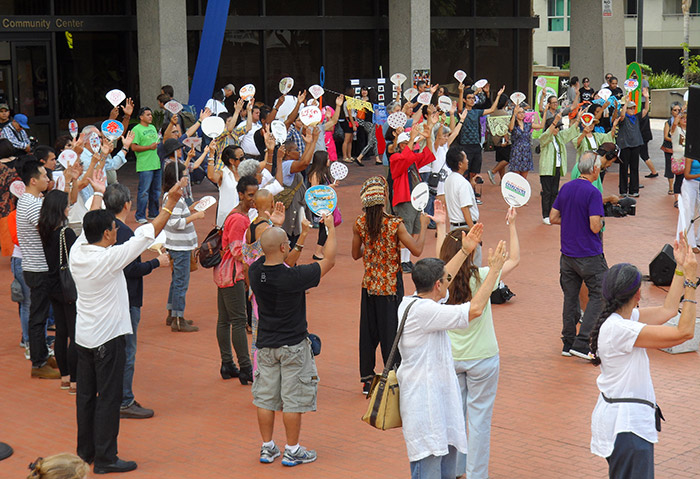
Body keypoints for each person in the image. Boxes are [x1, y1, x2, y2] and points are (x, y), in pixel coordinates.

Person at [70, 172, 187, 474]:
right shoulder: (109, 258)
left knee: (85, 397)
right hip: (108, 339)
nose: (114, 230)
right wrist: (170, 204)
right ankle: (107, 458)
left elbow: (90, 223)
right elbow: (147, 234)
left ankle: (85, 453)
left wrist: (97, 192)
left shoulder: (78, 251)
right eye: (112, 228)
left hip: (84, 337)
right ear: (108, 234)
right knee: (108, 399)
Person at [397, 228, 507, 479]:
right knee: (429, 470)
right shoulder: (427, 312)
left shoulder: (412, 301)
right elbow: (476, 308)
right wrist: (494, 270)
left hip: (439, 405)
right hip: (425, 410)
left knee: (447, 468)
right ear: (438, 285)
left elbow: (446, 275)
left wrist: (465, 250)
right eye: (444, 280)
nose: (448, 280)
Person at [588, 236, 696, 478]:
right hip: (627, 429)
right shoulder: (620, 329)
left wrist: (679, 268)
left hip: (623, 425)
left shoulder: (619, 320)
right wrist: (691, 281)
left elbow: (668, 310)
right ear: (638, 294)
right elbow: (685, 331)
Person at [433, 201, 520, 479]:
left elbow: (442, 259)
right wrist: (513, 224)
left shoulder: (441, 283)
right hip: (484, 358)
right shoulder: (483, 275)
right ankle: (476, 474)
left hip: (452, 359)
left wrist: (442, 225)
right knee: (480, 421)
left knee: (454, 419)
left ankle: (455, 470)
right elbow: (515, 259)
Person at [249, 215, 336, 466]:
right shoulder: (295, 277)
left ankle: (267, 447)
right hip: (293, 346)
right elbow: (328, 260)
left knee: (264, 398)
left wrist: (271, 226)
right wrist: (329, 228)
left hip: (265, 344)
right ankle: (292, 449)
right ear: (285, 247)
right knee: (292, 399)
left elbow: (267, 254)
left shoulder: (256, 272)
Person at [351, 176, 429, 394]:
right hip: (390, 286)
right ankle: (392, 374)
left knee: (368, 332)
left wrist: (373, 247)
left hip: (369, 285)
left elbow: (355, 254)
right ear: (384, 197)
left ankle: (367, 379)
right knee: (391, 333)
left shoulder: (359, 223)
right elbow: (417, 250)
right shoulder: (395, 224)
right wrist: (423, 226)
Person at [104, 183, 167, 419]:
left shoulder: (101, 228)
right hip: (127, 298)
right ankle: (124, 399)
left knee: (113, 350)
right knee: (127, 351)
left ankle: (115, 396)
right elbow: (132, 268)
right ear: (127, 205)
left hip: (109, 297)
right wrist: (156, 263)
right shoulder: (124, 232)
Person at [550, 151, 607, 359]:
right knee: (600, 294)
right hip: (589, 254)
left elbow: (553, 217)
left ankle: (568, 342)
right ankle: (583, 343)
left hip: (567, 254)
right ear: (594, 169)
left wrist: (571, 221)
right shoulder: (593, 193)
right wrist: (601, 221)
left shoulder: (566, 187)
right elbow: (594, 226)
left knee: (570, 297)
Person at [17, 159, 60, 379]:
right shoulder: (32, 205)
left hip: (35, 267)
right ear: (33, 181)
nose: (48, 179)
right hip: (39, 269)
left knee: (39, 315)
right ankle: (39, 362)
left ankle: (42, 355)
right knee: (39, 317)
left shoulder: (30, 200)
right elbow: (48, 232)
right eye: (44, 176)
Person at [216, 175, 258, 384]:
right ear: (240, 194)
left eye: (255, 194)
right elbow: (237, 251)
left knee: (225, 320)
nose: (253, 198)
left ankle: (228, 364)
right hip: (234, 274)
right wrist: (257, 252)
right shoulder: (240, 219)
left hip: (224, 273)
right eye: (250, 195)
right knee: (239, 321)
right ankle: (245, 367)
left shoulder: (236, 215)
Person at [38, 190, 78, 393]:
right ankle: (75, 381)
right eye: (67, 205)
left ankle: (65, 377)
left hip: (52, 285)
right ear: (60, 209)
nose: (69, 208)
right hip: (67, 287)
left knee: (61, 333)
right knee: (74, 334)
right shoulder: (66, 233)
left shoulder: (43, 230)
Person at [162, 161, 206, 332]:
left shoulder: (173, 196)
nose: (187, 178)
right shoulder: (174, 198)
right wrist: (195, 217)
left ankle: (172, 314)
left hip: (177, 245)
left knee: (176, 281)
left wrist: (191, 209)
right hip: (179, 247)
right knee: (181, 282)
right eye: (184, 175)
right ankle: (178, 319)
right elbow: (175, 223)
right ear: (177, 178)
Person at [390, 125, 435, 273]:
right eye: (411, 143)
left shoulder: (412, 158)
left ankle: (406, 260)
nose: (415, 146)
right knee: (406, 232)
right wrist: (411, 139)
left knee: (414, 230)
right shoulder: (395, 158)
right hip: (405, 200)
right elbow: (404, 158)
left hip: (416, 199)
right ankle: (401, 261)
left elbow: (428, 156)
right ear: (402, 145)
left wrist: (428, 138)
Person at [456, 85, 506, 187]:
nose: (472, 100)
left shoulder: (477, 112)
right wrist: (461, 92)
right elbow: (460, 108)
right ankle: (466, 192)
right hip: (465, 146)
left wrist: (498, 95)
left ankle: (472, 192)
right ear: (465, 100)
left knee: (474, 172)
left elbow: (491, 109)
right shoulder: (463, 112)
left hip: (476, 145)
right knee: (465, 171)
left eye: (473, 98)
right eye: (469, 98)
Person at [538, 112, 580, 224]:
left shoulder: (560, 137)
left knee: (554, 192)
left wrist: (578, 120)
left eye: (558, 127)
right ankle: (545, 215)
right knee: (546, 192)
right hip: (547, 169)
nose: (557, 129)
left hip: (556, 168)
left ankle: (552, 213)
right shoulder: (545, 138)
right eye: (555, 127)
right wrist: (554, 121)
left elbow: (570, 132)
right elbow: (546, 135)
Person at [444, 146, 481, 265]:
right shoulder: (463, 183)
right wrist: (473, 231)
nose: (468, 161)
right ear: (460, 164)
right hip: (465, 228)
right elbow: (465, 209)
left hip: (454, 228)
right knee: (473, 264)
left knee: (458, 264)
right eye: (465, 159)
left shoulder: (450, 180)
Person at [131, 107, 161, 223]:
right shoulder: (136, 129)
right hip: (144, 165)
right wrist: (149, 147)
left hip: (155, 163)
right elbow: (133, 147)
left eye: (151, 114)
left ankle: (154, 213)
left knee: (156, 191)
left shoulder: (153, 127)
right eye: (148, 115)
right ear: (141, 117)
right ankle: (140, 215)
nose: (150, 117)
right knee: (144, 191)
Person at [616, 93, 649, 198]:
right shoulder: (623, 118)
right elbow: (621, 115)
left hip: (636, 145)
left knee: (634, 168)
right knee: (624, 168)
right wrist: (625, 103)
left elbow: (645, 110)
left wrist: (647, 97)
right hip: (625, 145)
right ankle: (623, 190)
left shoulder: (636, 117)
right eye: (630, 108)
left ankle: (634, 190)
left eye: (634, 108)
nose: (632, 109)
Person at [208, 144, 246, 227]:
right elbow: (211, 176)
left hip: (244, 216)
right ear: (232, 161)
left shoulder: (245, 173)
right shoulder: (223, 174)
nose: (245, 160)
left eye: (244, 156)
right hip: (226, 218)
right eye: (241, 158)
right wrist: (211, 154)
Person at [307, 151, 335, 260]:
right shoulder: (315, 174)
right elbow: (314, 191)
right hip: (319, 206)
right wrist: (329, 188)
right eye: (327, 159)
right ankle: (317, 252)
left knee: (326, 228)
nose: (329, 161)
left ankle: (322, 250)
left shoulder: (323, 173)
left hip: (325, 205)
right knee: (324, 228)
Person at [508, 104, 544, 178]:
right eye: (519, 112)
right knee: (516, 177)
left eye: (523, 112)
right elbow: (511, 128)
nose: (522, 114)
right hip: (517, 152)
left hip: (526, 152)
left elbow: (541, 126)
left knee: (524, 178)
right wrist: (514, 113)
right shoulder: (514, 125)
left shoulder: (528, 125)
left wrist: (545, 112)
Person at [662, 102, 683, 200]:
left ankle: (678, 188)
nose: (677, 112)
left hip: (680, 150)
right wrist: (676, 140)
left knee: (680, 169)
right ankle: (671, 187)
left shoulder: (683, 122)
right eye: (675, 110)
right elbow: (666, 136)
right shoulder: (668, 122)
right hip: (670, 148)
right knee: (669, 167)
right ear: (671, 111)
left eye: (679, 110)